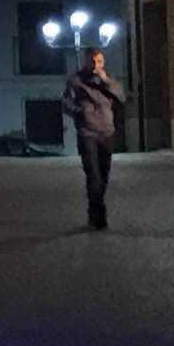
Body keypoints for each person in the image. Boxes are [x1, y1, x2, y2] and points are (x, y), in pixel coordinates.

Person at [62, 49, 125, 228]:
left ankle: (94, 210)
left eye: (100, 61)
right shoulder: (76, 80)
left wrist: (105, 81)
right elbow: (66, 104)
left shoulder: (109, 80)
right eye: (93, 61)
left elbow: (121, 98)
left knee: (104, 175)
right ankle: (98, 216)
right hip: (87, 133)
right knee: (93, 176)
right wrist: (81, 113)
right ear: (86, 61)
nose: (96, 65)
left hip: (107, 132)